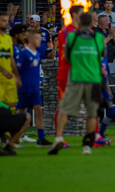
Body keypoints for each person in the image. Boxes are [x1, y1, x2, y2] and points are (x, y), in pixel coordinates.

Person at [48, 12, 105, 155]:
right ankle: (87, 145)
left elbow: (67, 57)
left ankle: (59, 137)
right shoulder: (98, 37)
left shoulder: (72, 37)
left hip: (75, 78)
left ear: (78, 22)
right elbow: (101, 56)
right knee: (92, 114)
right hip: (93, 80)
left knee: (64, 109)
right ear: (92, 22)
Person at [15, 27, 51, 146]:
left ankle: (41, 138)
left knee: (39, 111)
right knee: (20, 113)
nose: (39, 41)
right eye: (36, 38)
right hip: (24, 88)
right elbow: (18, 70)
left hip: (35, 89)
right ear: (30, 39)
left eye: (40, 38)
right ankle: (16, 136)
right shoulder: (24, 53)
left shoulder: (38, 54)